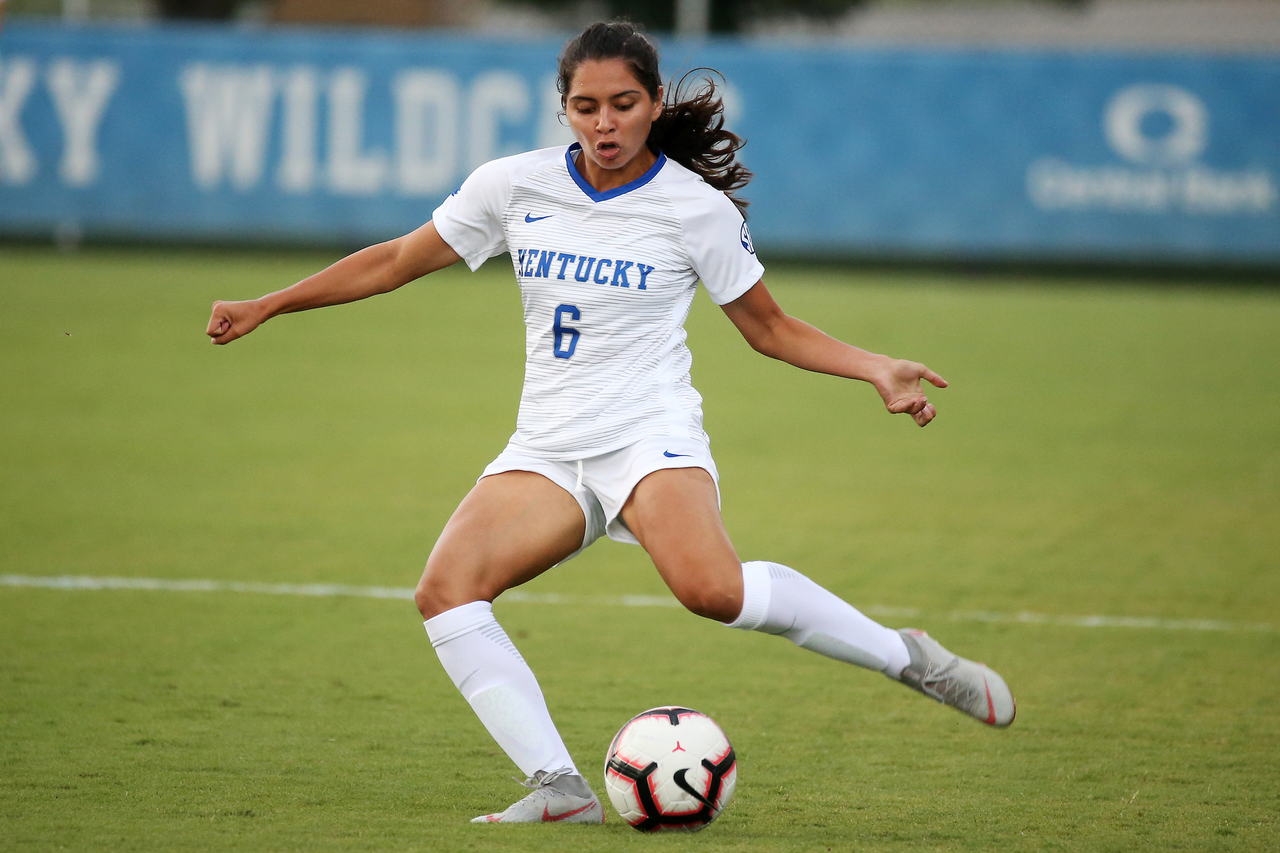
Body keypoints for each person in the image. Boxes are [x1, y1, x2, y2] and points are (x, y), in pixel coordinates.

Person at [206, 20, 1015, 825]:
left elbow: (769, 328)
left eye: (623, 104)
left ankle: (906, 656)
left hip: (647, 436)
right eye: (586, 106)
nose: (605, 124)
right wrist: (270, 304)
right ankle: (560, 788)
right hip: (548, 446)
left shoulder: (691, 209)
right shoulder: (512, 184)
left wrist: (874, 365)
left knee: (712, 590)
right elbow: (392, 261)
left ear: (654, 103)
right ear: (563, 108)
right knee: (446, 590)